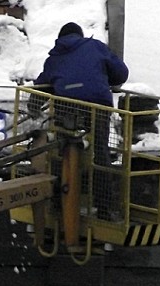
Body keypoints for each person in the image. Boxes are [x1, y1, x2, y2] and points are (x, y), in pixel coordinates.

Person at [33, 22, 129, 219]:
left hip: (66, 106)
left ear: (61, 38)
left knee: (62, 152)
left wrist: (34, 105)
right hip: (97, 106)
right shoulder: (94, 46)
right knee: (100, 153)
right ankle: (104, 208)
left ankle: (59, 203)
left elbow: (42, 85)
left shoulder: (54, 57)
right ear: (80, 35)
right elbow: (121, 73)